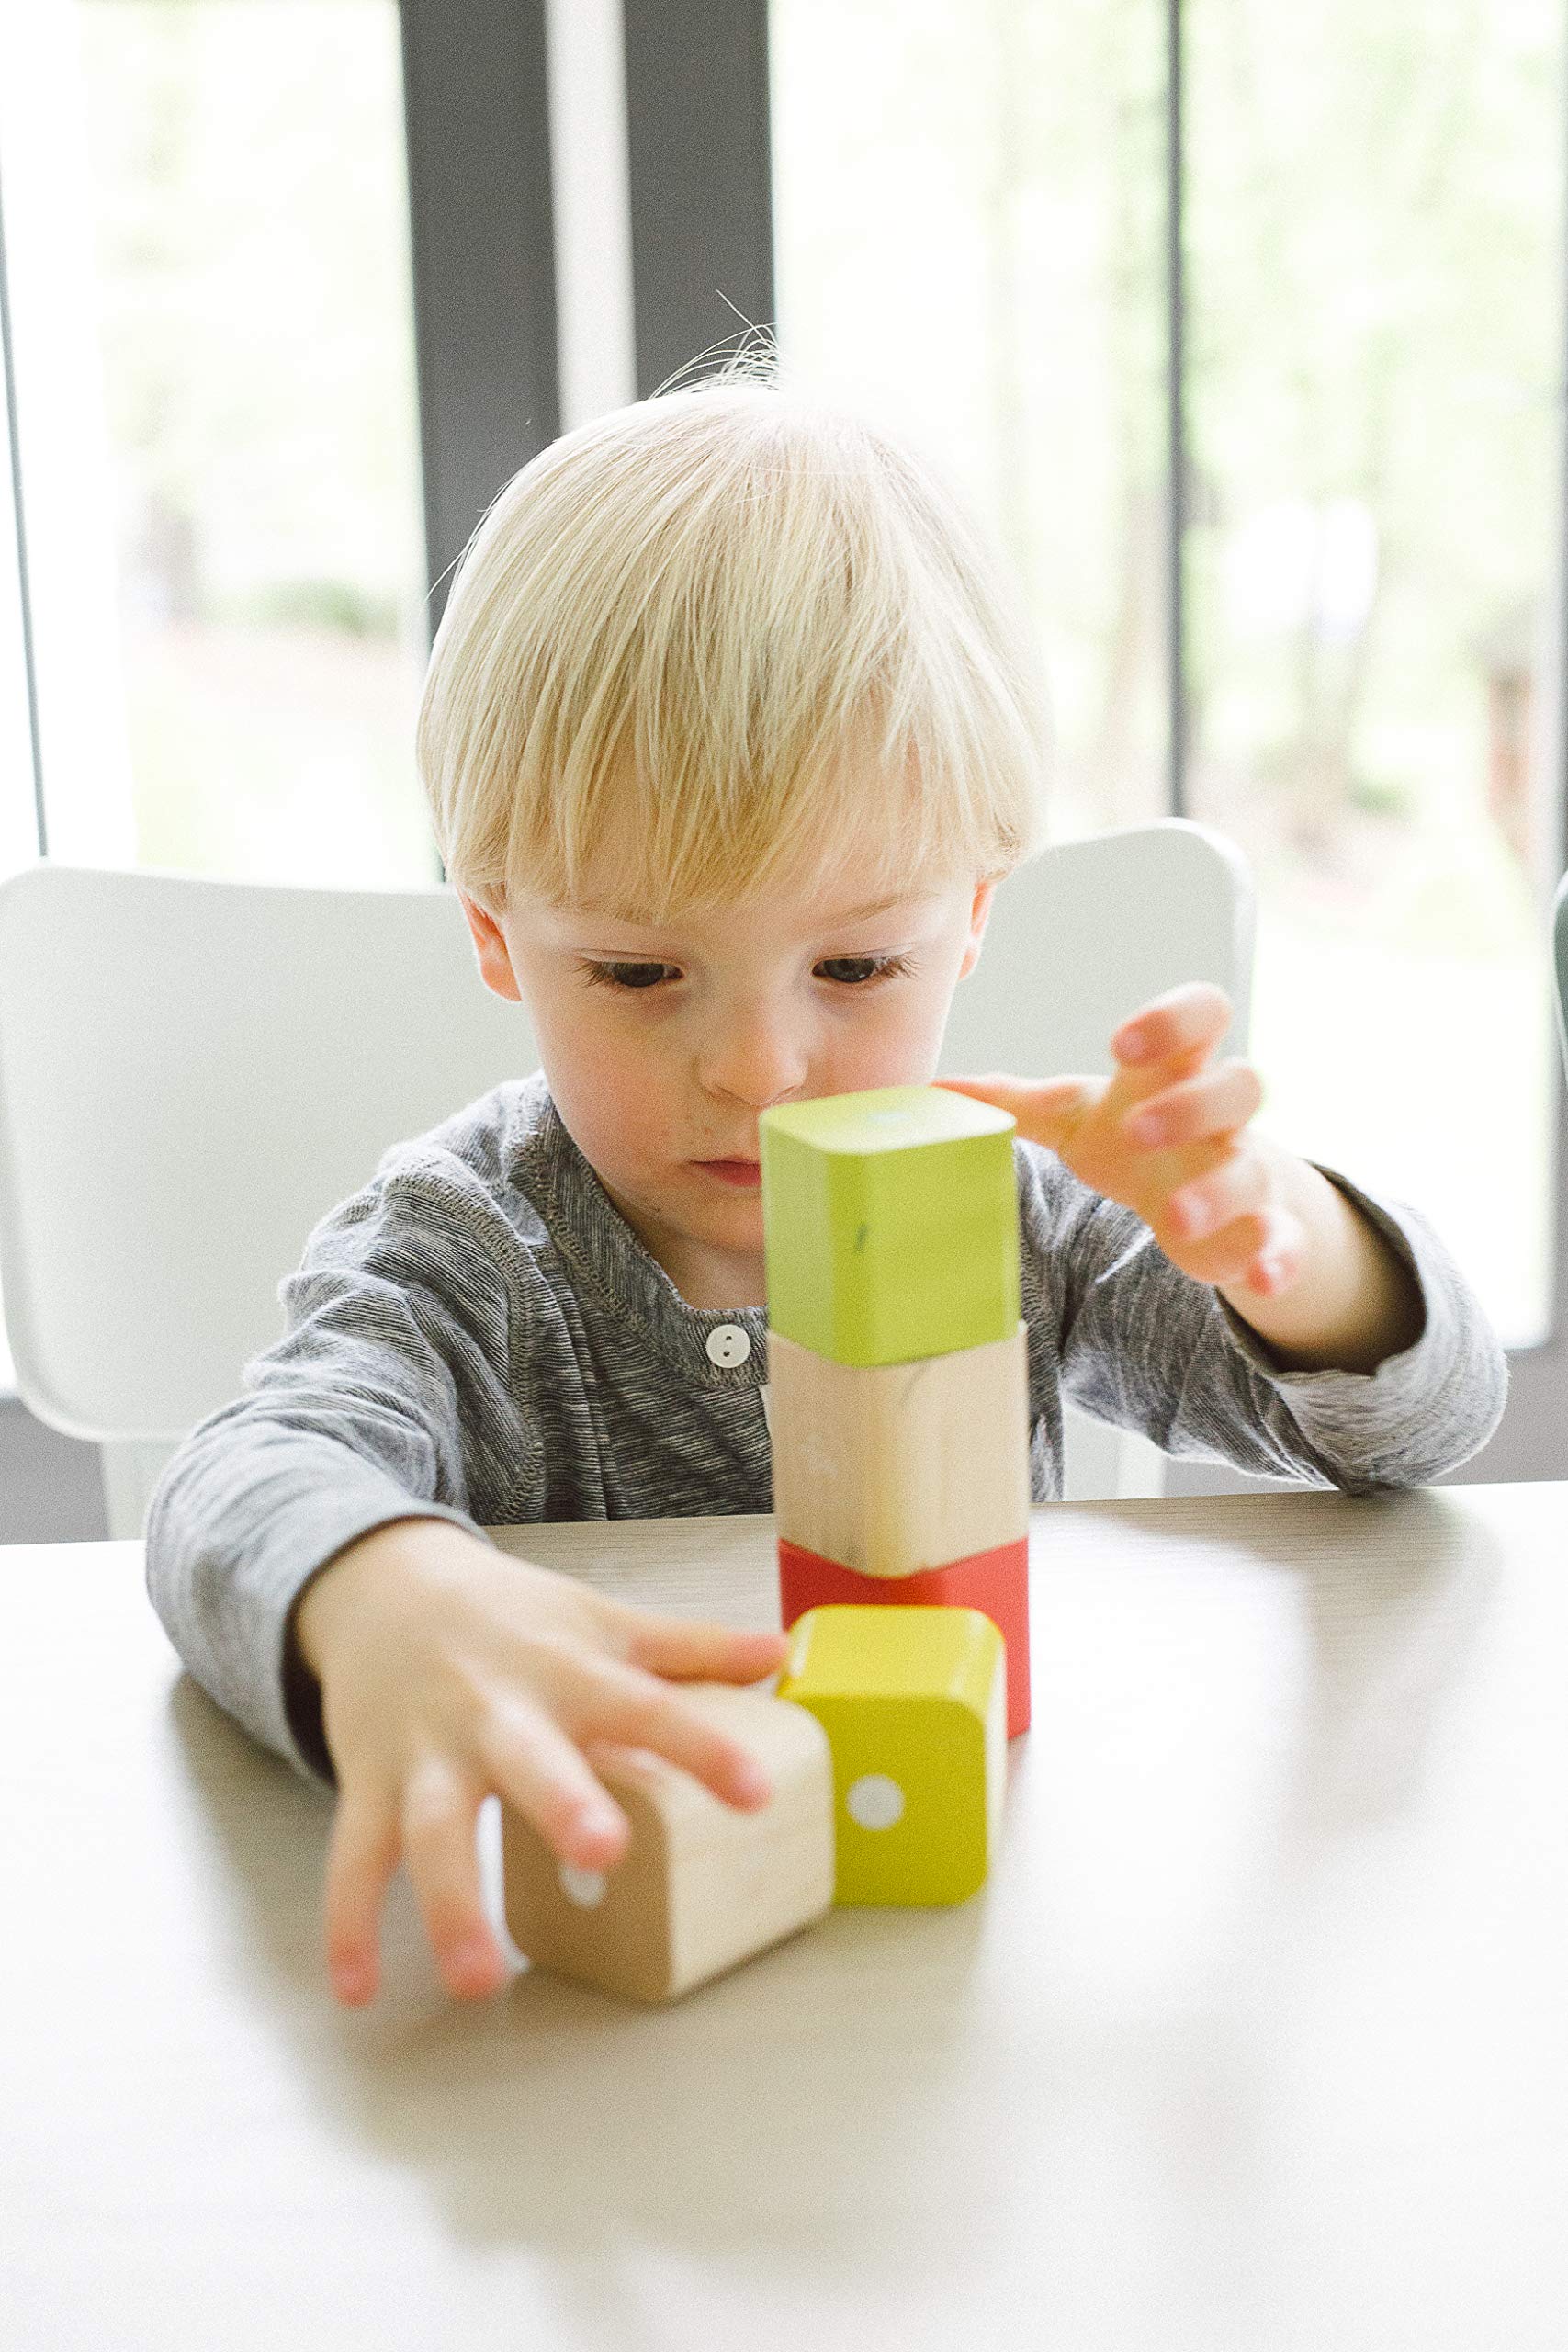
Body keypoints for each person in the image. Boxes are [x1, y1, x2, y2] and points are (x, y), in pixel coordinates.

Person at [145, 354, 1508, 2012]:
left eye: (857, 964)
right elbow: (243, 1478)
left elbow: (1419, 1430)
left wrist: (1280, 1239)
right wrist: (372, 1593)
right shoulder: (466, 1251)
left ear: (976, 915)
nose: (759, 1067)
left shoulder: (1013, 1206)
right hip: (605, 1994)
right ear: (499, 932)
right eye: (641, 974)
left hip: (960, 1962)